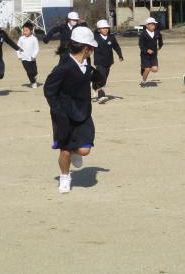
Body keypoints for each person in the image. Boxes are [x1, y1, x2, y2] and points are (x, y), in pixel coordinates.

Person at [43, 26, 104, 194]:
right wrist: (58, 110)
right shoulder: (64, 66)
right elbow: (49, 89)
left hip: (83, 112)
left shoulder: (87, 62)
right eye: (91, 47)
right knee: (65, 150)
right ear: (85, 47)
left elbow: (87, 73)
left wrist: (96, 78)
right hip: (64, 114)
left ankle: (74, 151)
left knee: (84, 150)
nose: (92, 50)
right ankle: (64, 177)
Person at [92, 19, 123, 103]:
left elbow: (116, 47)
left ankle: (94, 85)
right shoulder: (95, 37)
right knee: (101, 78)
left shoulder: (111, 37)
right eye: (103, 28)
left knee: (104, 80)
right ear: (99, 30)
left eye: (107, 28)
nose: (105, 29)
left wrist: (120, 55)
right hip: (99, 61)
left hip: (109, 61)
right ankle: (101, 96)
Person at [138, 17, 163, 87]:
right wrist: (147, 50)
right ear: (147, 25)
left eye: (154, 24)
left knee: (155, 70)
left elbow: (160, 41)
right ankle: (143, 82)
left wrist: (160, 47)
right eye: (151, 24)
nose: (153, 26)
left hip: (154, 55)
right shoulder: (143, 34)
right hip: (145, 55)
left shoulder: (157, 33)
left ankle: (144, 68)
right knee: (147, 69)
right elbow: (141, 45)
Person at [17, 22, 40, 88]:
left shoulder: (34, 39)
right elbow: (17, 47)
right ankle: (33, 83)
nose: (25, 32)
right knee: (29, 71)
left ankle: (34, 77)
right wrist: (19, 55)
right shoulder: (21, 38)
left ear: (31, 30)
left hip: (32, 58)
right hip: (24, 58)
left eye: (26, 30)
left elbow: (37, 49)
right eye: (24, 30)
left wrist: (34, 56)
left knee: (34, 72)